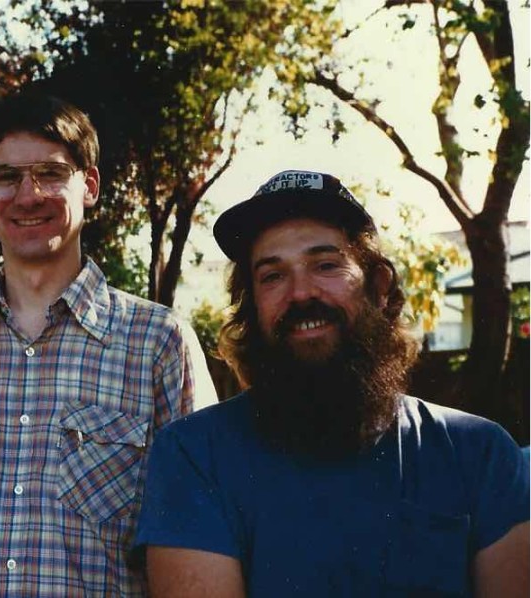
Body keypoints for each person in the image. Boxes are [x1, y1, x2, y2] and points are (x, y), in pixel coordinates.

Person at [0, 93, 218, 596]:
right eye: (7, 177)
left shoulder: (159, 344)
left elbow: (202, 537)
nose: (27, 195)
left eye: (51, 174)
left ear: (90, 186)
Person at [136, 170, 530, 596]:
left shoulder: (480, 455)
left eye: (325, 265)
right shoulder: (193, 455)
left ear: (379, 288)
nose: (301, 293)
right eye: (272, 275)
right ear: (251, 305)